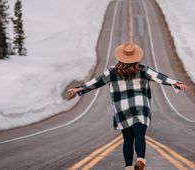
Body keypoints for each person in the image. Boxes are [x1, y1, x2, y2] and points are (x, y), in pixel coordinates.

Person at [67, 42, 187, 170]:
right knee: (140, 135)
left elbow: (97, 82)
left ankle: (129, 167)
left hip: (122, 109)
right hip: (141, 106)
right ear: (136, 57)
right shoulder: (143, 69)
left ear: (120, 57)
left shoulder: (112, 72)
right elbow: (159, 77)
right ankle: (140, 160)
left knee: (128, 139)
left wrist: (80, 88)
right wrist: (175, 83)